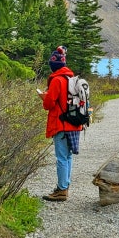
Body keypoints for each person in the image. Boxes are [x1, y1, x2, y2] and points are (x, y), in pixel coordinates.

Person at [39, 46, 83, 202]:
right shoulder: (71, 79)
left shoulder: (57, 80)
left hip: (62, 125)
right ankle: (65, 186)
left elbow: (49, 104)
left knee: (61, 157)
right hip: (74, 123)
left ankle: (62, 190)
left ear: (53, 65)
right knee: (68, 156)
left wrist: (43, 96)